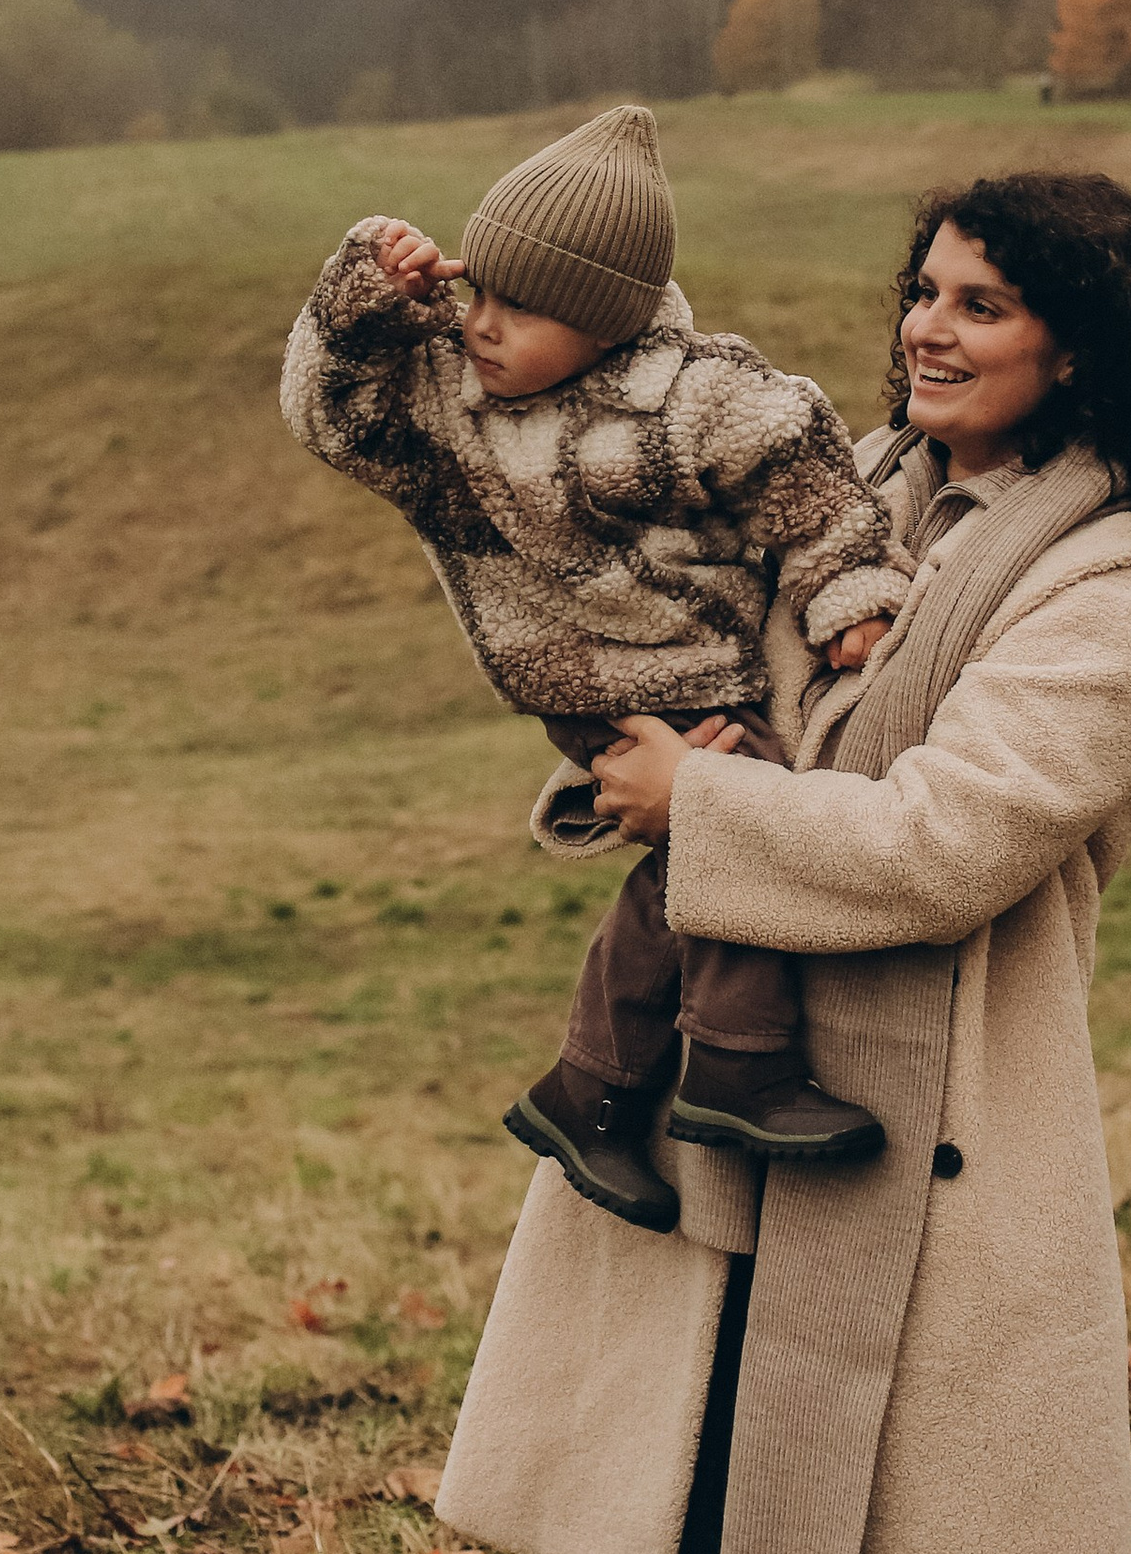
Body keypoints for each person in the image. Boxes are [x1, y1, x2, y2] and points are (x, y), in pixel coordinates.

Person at [435, 169, 1131, 1554]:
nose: (929, 329)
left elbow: (949, 840)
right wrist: (648, 770)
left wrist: (693, 820)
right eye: (924, 292)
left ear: (1078, 344)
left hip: (937, 1143)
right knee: (680, 1524)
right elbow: (703, 676)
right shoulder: (842, 495)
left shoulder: (1104, 593)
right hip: (733, 1083)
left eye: (983, 304)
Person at [280, 103, 910, 1230]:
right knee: (743, 802)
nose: (483, 326)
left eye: (522, 309)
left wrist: (848, 591)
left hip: (693, 655)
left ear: (608, 325)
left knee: (691, 852)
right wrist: (368, 295)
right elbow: (327, 417)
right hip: (580, 675)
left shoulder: (690, 394)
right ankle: (733, 1064)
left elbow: (808, 478)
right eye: (478, 292)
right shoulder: (446, 391)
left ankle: (596, 1094)